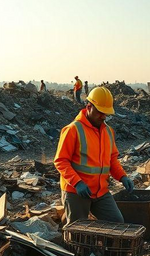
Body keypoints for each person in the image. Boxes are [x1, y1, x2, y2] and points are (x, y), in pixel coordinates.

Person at [54, 86, 135, 224]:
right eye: (100, 112)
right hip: (77, 192)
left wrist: (122, 176)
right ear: (89, 106)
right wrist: (77, 183)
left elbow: (112, 159)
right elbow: (61, 161)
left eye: (106, 113)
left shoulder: (108, 131)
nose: (103, 116)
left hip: (100, 191)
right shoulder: (73, 130)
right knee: (77, 230)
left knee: (116, 222)